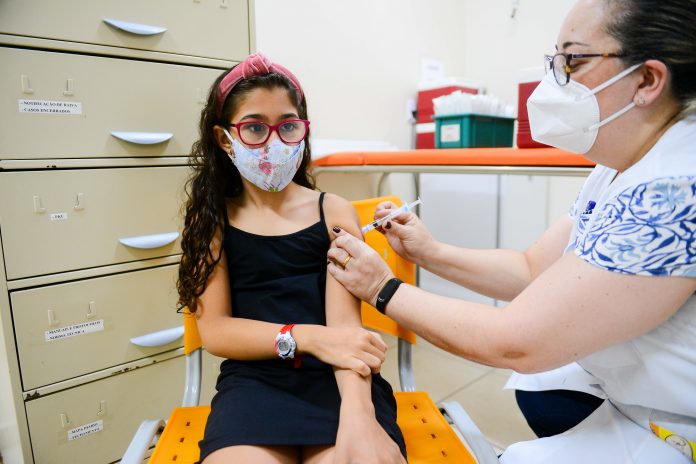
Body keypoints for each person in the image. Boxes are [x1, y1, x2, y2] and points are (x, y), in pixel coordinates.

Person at [327, 0, 696, 462]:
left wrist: (382, 288)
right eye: (555, 62)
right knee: (541, 389)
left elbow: (514, 341)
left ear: (647, 80)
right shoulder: (619, 166)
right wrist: (429, 251)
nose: (555, 81)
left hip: (676, 423)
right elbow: (532, 268)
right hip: (636, 391)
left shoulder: (676, 188)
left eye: (573, 61)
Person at [177, 52, 406, 464]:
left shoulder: (333, 211)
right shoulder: (211, 221)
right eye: (253, 128)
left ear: (303, 129)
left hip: (340, 379)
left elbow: (346, 330)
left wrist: (358, 413)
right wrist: (310, 337)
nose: (274, 141)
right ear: (223, 138)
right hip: (253, 385)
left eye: (287, 125)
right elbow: (215, 331)